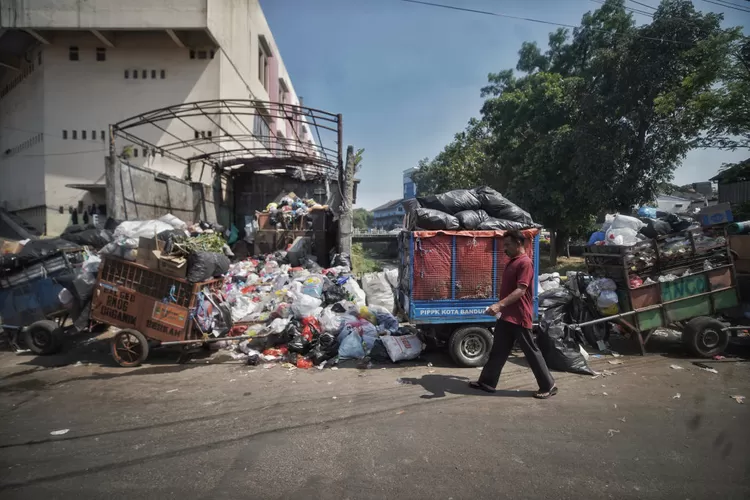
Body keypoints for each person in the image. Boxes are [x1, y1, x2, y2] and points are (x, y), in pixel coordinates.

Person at [469, 230, 558, 399]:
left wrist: (499, 304)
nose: (505, 248)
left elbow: (521, 290)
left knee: (531, 351)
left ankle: (549, 385)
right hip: (507, 316)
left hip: (519, 316)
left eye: (508, 245)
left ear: (519, 243)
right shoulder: (513, 261)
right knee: (498, 350)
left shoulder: (525, 263)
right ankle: (487, 382)